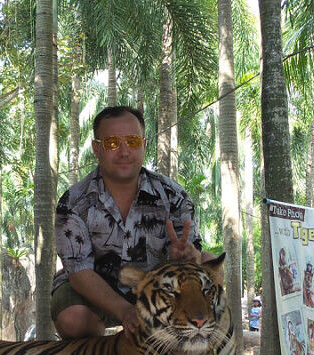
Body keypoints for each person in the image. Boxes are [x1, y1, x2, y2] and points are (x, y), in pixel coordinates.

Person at [51, 106, 213, 338]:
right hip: (95, 292)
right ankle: (104, 353)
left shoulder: (173, 196)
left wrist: (188, 256)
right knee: (72, 319)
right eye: (112, 143)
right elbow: (79, 272)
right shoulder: (74, 202)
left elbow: (193, 254)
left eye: (133, 141)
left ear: (144, 145)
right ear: (97, 148)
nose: (124, 151)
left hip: (158, 289)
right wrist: (126, 311)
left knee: (210, 262)